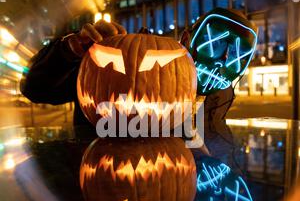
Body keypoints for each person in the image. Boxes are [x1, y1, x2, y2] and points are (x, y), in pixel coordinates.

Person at [21, 18, 234, 127]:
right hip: (97, 165)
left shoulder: (208, 85)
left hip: (164, 173)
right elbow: (34, 88)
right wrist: (69, 50)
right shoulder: (95, 62)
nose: (134, 80)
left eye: (157, 66)